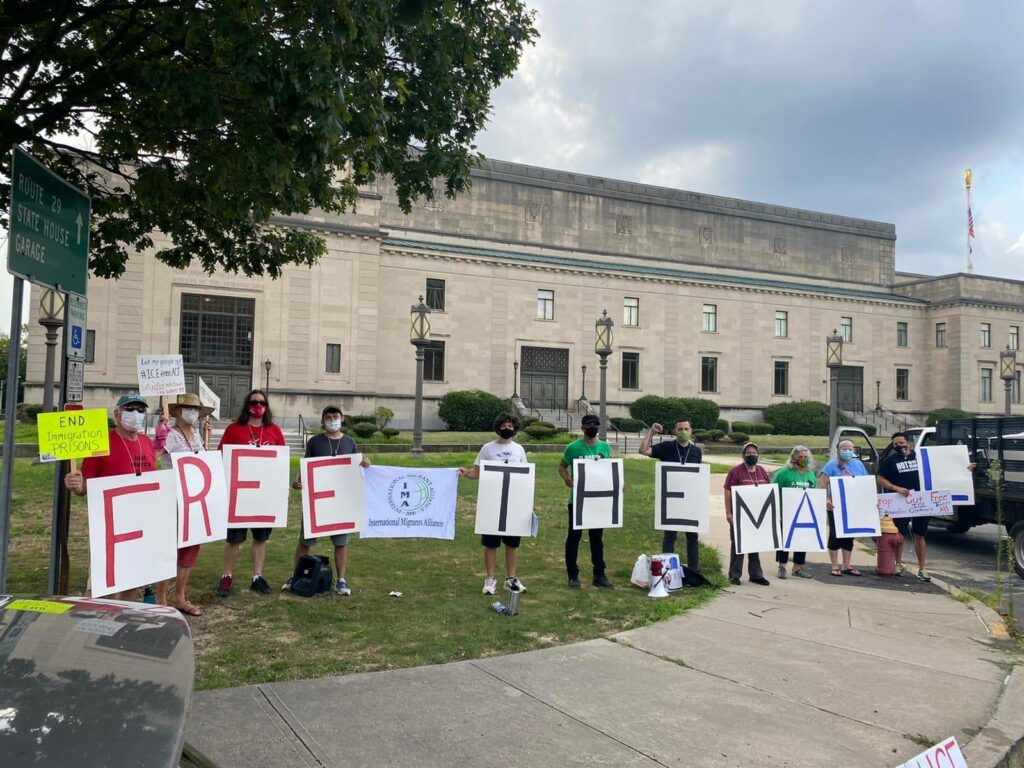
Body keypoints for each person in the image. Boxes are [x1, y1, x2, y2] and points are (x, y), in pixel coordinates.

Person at [64, 392, 159, 602]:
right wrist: (77, 485)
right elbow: (85, 485)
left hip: (140, 524)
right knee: (100, 582)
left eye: (140, 410)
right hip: (109, 526)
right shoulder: (102, 442)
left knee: (131, 580)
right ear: (117, 414)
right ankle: (91, 618)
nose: (136, 414)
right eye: (130, 409)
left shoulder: (146, 442)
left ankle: (123, 617)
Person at [289, 406, 370, 596]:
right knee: (305, 541)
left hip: (340, 502)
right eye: (328, 417)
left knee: (341, 542)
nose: (332, 420)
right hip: (317, 501)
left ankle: (341, 580)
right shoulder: (315, 442)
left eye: (335, 416)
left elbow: (356, 467)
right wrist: (298, 481)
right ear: (322, 421)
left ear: (342, 418)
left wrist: (365, 463)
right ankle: (296, 576)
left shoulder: (349, 442)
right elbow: (305, 465)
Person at [216, 389, 286, 597]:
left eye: (262, 402)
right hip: (239, 494)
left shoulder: (274, 430)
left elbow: (281, 462)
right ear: (247, 405)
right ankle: (226, 575)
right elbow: (221, 456)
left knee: (261, 538)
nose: (258, 406)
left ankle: (257, 576)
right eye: (254, 402)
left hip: (264, 495)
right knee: (234, 539)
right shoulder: (234, 429)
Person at [459, 412, 529, 595]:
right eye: (504, 425)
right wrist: (466, 473)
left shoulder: (519, 449)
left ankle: (511, 579)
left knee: (512, 543)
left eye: (510, 426)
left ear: (514, 428)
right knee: (491, 543)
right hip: (491, 501)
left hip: (513, 502)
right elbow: (477, 472)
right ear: (498, 428)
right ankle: (490, 579)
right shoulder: (487, 448)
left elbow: (525, 476)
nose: (507, 428)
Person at [159, 393, 215, 616]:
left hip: (194, 498)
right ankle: (161, 599)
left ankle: (180, 596)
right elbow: (155, 456)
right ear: (179, 412)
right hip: (173, 496)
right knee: (169, 547)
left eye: (196, 409)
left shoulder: (198, 435)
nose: (193, 412)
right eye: (189, 408)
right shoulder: (170, 435)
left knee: (190, 546)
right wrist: (159, 439)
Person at [638, 417, 704, 574]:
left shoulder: (696, 452)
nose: (683, 432)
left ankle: (693, 570)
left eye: (686, 429)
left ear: (691, 431)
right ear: (674, 431)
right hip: (671, 500)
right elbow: (643, 450)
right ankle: (667, 569)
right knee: (670, 536)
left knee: (692, 536)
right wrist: (651, 432)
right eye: (680, 429)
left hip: (689, 501)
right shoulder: (666, 447)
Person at [559, 413, 615, 589]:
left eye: (596, 424)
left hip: (597, 500)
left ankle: (599, 574)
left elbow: (609, 470)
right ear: (583, 428)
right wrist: (566, 478)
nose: (593, 427)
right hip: (578, 500)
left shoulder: (605, 447)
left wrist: (617, 484)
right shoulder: (573, 448)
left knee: (597, 538)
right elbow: (562, 467)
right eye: (589, 425)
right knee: (574, 537)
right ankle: (572, 575)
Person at [723, 442, 771, 586]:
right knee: (738, 545)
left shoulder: (762, 471)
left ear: (758, 455)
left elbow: (768, 492)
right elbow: (727, 491)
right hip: (740, 515)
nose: (752, 455)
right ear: (743, 455)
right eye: (748, 453)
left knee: (755, 545)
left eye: (754, 453)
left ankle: (756, 575)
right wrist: (728, 512)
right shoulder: (736, 471)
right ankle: (734, 575)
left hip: (757, 516)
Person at [818, 439, 868, 577]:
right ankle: (834, 565)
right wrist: (826, 499)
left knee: (849, 536)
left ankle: (846, 565)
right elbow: (823, 482)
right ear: (839, 451)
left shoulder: (859, 465)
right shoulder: (831, 465)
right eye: (844, 449)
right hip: (836, 506)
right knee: (835, 535)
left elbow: (865, 483)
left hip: (853, 506)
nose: (848, 451)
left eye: (850, 449)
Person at [772, 445, 816, 579]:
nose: (803, 459)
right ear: (794, 458)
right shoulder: (783, 473)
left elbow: (814, 494)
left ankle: (797, 568)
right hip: (786, 513)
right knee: (784, 540)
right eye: (800, 457)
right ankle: (782, 566)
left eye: (805, 457)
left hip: (804, 514)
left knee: (801, 539)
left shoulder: (810, 475)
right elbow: (773, 490)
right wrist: (776, 512)